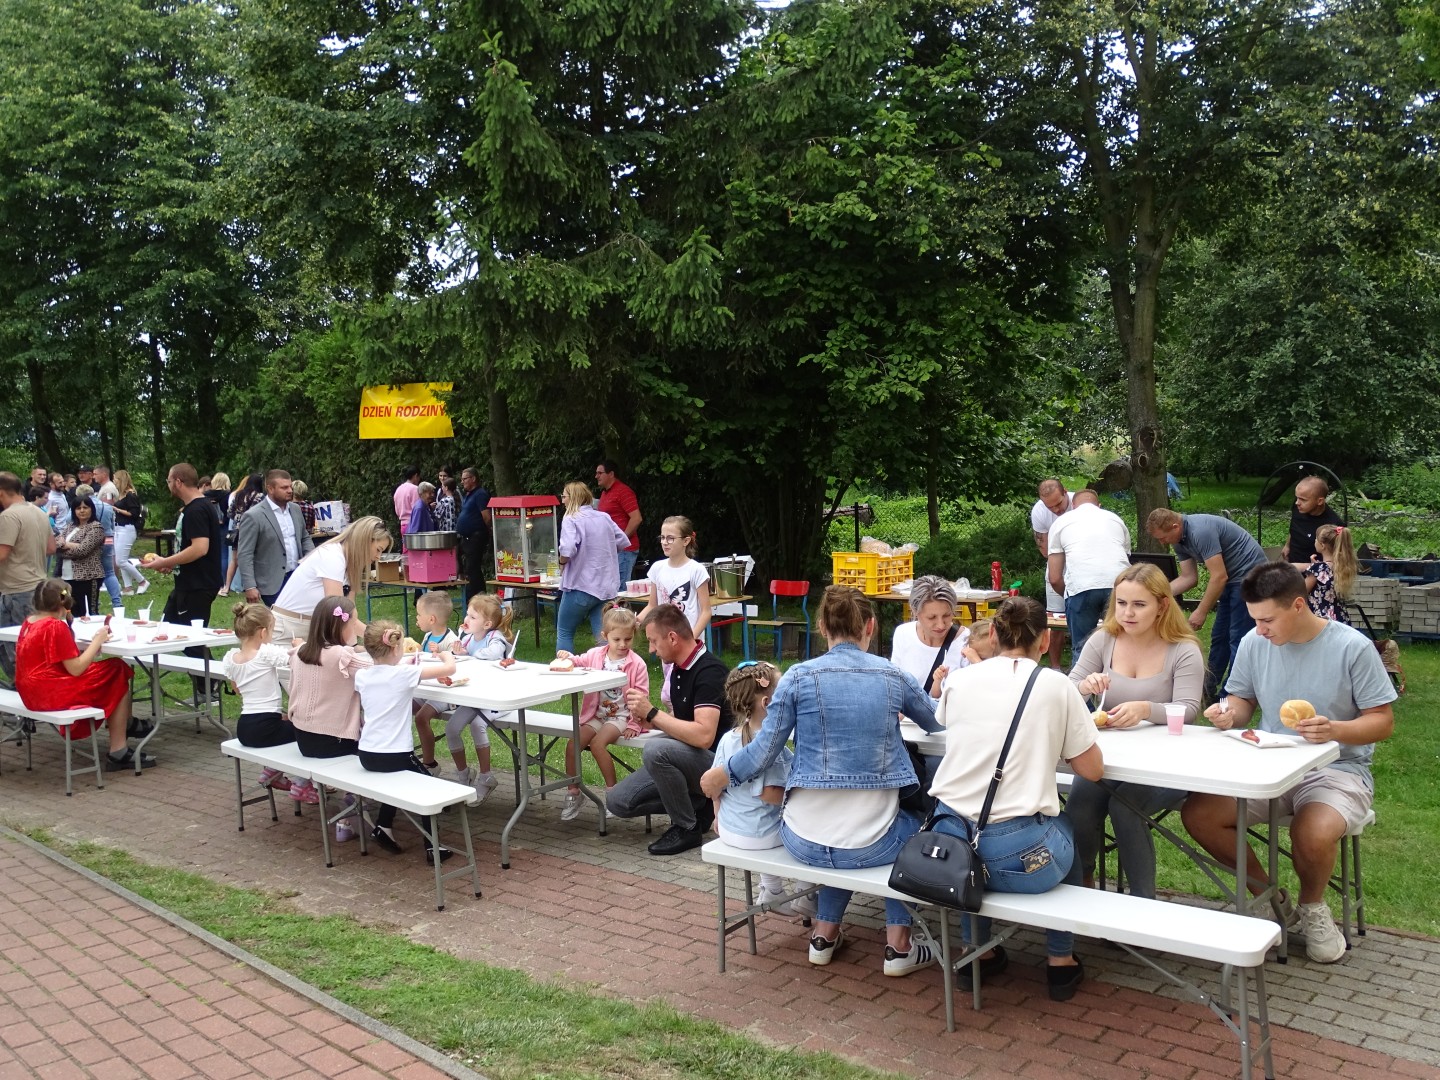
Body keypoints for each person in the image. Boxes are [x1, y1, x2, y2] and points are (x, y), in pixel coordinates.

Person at [700, 587, 944, 975]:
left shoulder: (797, 677)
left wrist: (723, 774)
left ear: (822, 627)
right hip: (872, 843)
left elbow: (763, 750)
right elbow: (936, 721)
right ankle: (899, 946)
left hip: (802, 839)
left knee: (840, 827)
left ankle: (824, 934)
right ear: (870, 626)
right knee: (920, 828)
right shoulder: (892, 675)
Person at [1182, 562, 1396, 963]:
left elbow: (1382, 722)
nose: (1260, 630)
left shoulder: (1352, 647)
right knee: (1199, 814)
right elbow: (1242, 700)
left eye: (1267, 620)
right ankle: (1271, 898)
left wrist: (1334, 729)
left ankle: (1313, 907)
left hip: (1339, 769)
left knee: (1311, 830)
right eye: (1255, 620)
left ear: (1298, 605)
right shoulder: (1254, 642)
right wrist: (1229, 713)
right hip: (1271, 765)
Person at [930, 596, 1103, 999]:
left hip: (949, 849)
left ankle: (976, 952)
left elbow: (948, 726)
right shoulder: (1057, 686)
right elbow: (1092, 770)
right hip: (1021, 861)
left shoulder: (959, 681)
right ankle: (1060, 961)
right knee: (1065, 828)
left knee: (972, 836)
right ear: (1045, 641)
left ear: (992, 634)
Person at [1064, 564, 1204, 898]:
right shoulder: (1103, 640)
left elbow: (1189, 709)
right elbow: (1067, 688)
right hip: (1109, 758)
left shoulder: (1183, 649)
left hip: (1167, 763)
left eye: (1139, 604)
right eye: (1121, 603)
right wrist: (1085, 685)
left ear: (1162, 605)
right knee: (1079, 807)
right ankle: (1080, 890)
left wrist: (1145, 709)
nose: (1127, 613)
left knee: (1126, 808)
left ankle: (1143, 902)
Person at [609, 604, 730, 855]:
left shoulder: (710, 671)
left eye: (653, 641)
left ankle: (686, 827)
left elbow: (704, 736)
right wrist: (650, 722)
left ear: (672, 638)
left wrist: (653, 713)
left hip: (719, 765)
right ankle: (699, 804)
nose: (651, 650)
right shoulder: (678, 667)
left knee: (656, 749)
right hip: (690, 758)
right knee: (617, 801)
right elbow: (683, 720)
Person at [710, 661, 816, 918]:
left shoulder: (727, 738)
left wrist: (717, 816)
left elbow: (716, 787)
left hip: (728, 829)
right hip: (759, 836)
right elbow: (768, 794)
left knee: (764, 818)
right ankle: (807, 893)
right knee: (814, 827)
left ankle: (772, 890)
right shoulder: (768, 747)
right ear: (768, 703)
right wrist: (804, 802)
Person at [15, 579, 150, 770]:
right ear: (65, 603)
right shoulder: (55, 626)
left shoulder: (29, 622)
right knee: (117, 669)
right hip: (50, 694)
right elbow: (76, 669)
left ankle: (127, 724)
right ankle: (119, 746)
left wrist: (90, 647)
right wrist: (97, 641)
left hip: (30, 693)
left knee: (111, 670)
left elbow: (58, 660)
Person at [354, 619, 455, 862]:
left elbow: (387, 675)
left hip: (367, 753)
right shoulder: (404, 674)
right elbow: (449, 669)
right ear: (396, 648)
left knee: (398, 781)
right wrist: (446, 654)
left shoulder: (362, 676)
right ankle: (432, 846)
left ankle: (384, 826)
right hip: (396, 754)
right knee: (428, 787)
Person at [1147, 509, 1268, 701]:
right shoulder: (1178, 540)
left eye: (1163, 538)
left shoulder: (1200, 532)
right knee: (1220, 636)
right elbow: (1189, 578)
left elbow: (1219, 576)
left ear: (1175, 526)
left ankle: (1232, 694)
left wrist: (1201, 611)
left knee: (1238, 638)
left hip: (1251, 577)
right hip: (1231, 580)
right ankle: (1206, 689)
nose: (1163, 543)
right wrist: (1153, 596)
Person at [288, 596, 371, 839]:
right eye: (353, 622)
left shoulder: (301, 651)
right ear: (341, 626)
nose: (356, 627)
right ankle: (350, 811)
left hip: (304, 737)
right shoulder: (341, 655)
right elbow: (378, 672)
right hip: (334, 740)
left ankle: (349, 809)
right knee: (377, 750)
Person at [557, 605, 650, 820]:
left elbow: (641, 698)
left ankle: (613, 795)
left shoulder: (637, 664)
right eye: (617, 639)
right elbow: (577, 661)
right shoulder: (596, 655)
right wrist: (566, 656)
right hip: (596, 715)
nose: (622, 644)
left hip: (621, 716)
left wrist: (634, 724)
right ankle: (574, 792)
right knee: (572, 745)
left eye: (627, 639)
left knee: (598, 744)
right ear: (605, 636)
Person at [147, 464, 225, 699]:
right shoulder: (195, 507)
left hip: (198, 585)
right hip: (188, 583)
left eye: (169, 480)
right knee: (169, 629)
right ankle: (208, 684)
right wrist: (173, 563)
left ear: (178, 481)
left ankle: (210, 686)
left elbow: (200, 548)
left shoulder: (197, 510)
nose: (168, 485)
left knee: (190, 638)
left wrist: (166, 561)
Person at [434, 592, 511, 800]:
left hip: (497, 698)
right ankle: (464, 774)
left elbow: (494, 654)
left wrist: (469, 655)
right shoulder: (467, 638)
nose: (466, 619)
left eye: (472, 617)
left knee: (478, 725)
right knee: (451, 729)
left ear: (487, 624)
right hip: (473, 697)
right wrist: (459, 653)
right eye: (467, 615)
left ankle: (486, 776)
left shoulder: (495, 638)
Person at [270, 515, 392, 642]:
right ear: (364, 540)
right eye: (378, 550)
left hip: (310, 630)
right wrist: (378, 638)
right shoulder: (333, 556)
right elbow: (337, 612)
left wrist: (357, 646)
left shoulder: (350, 566)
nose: (378, 557)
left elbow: (349, 616)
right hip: (287, 631)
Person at [1047, 489, 1132, 662]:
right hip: (1118, 587)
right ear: (1099, 505)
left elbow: (1054, 578)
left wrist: (1071, 595)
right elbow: (1124, 560)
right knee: (1120, 645)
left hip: (1081, 587)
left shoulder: (1061, 522)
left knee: (1082, 648)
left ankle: (1082, 680)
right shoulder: (1116, 519)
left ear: (1073, 506)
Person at [223, 601, 296, 791]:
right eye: (272, 631)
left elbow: (237, 688)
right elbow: (294, 658)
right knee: (307, 732)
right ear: (263, 633)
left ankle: (273, 771)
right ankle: (301, 782)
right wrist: (299, 646)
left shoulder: (231, 658)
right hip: (266, 728)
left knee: (288, 723)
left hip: (245, 727)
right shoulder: (264, 653)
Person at [639, 515, 710, 703]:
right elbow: (652, 606)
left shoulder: (696, 570)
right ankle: (675, 720)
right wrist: (635, 621)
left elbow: (706, 611)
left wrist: (690, 639)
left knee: (681, 693)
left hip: (689, 645)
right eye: (662, 537)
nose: (665, 542)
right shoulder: (657, 568)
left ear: (686, 541)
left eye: (670, 538)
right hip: (665, 642)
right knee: (672, 695)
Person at [556, 482, 630, 654]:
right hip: (605, 588)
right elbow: (622, 540)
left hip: (580, 586)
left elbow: (567, 549)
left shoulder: (571, 518)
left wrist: (562, 563)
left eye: (564, 496)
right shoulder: (604, 517)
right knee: (603, 637)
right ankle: (608, 668)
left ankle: (563, 666)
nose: (562, 501)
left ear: (573, 498)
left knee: (565, 631)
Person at [0, 474, 59, 688]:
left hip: (16, 589)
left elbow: (2, 554)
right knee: (32, 645)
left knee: (14, 646)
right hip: (38, 586)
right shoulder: (39, 512)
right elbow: (51, 548)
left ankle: (25, 689)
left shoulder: (8, 516)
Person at [238, 469, 313, 606]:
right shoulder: (254, 516)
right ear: (270, 489)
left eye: (290, 487)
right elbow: (245, 553)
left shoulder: (295, 510)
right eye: (284, 488)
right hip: (271, 582)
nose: (290, 491)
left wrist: (312, 560)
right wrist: (250, 586)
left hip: (297, 576)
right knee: (279, 617)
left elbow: (304, 537)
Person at [890, 575, 970, 699]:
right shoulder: (903, 634)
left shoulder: (965, 640)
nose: (941, 625)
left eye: (947, 615)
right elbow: (894, 684)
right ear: (915, 611)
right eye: (932, 617)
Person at [409, 590, 461, 774]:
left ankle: (430, 763)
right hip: (427, 688)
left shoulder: (451, 640)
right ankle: (404, 754)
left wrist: (442, 653)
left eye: (418, 614)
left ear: (431, 619)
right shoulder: (427, 636)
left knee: (421, 718)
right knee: (402, 706)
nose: (416, 618)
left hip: (445, 692)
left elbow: (455, 667)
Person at [1031, 478, 1072, 668]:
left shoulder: (1079, 504)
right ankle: (1056, 668)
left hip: (1083, 566)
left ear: (1065, 492)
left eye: (1059, 504)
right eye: (1050, 507)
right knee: (1056, 621)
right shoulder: (1039, 511)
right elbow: (1045, 550)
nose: (1056, 510)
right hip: (1056, 566)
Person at [55, 494, 104, 617]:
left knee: (88, 612)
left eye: (85, 507)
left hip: (88, 577)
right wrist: (72, 546)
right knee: (70, 609)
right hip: (66, 577)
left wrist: (65, 545)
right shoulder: (70, 526)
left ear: (91, 509)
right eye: (78, 508)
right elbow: (56, 545)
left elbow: (83, 550)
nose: (82, 511)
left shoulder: (96, 527)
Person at [595, 460, 643, 585]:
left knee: (620, 589)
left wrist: (621, 541)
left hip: (624, 550)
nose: (596, 476)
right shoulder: (605, 493)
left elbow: (636, 518)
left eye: (600, 473)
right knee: (612, 588)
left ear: (611, 474)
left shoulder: (623, 491)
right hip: (611, 549)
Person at [1283, 477, 1344, 565]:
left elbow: (1336, 561)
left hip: (1315, 570)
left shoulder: (1333, 524)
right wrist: (1287, 545)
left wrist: (1305, 567)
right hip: (1292, 563)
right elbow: (1295, 527)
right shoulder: (1299, 507)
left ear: (1320, 501)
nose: (1297, 502)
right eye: (1297, 498)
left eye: (1303, 499)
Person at [222, 473, 264, 597]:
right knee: (253, 559)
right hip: (252, 530)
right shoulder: (259, 496)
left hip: (237, 531)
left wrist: (238, 518)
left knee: (234, 560)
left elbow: (229, 513)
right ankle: (252, 586)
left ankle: (226, 587)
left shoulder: (238, 494)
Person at [1306, 524, 1356, 625]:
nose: (1314, 541)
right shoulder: (1342, 567)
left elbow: (1301, 590)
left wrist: (1314, 568)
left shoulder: (1318, 568)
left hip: (1321, 619)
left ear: (1322, 545)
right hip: (1340, 618)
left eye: (1316, 539)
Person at [456, 467, 492, 602]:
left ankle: (476, 598)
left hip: (476, 537)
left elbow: (487, 516)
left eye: (465, 479)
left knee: (472, 568)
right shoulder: (469, 495)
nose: (462, 482)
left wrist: (487, 531)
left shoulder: (480, 494)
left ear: (473, 479)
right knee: (468, 568)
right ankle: (475, 597)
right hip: (466, 537)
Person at [111, 470, 148, 595]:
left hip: (127, 529)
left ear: (121, 480)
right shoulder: (121, 494)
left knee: (120, 561)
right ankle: (128, 587)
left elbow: (134, 514)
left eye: (115, 479)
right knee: (122, 559)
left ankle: (142, 581)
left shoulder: (131, 495)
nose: (114, 481)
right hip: (118, 528)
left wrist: (117, 509)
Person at [206, 473, 232, 585]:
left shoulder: (205, 495)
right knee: (224, 554)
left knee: (210, 553)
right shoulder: (228, 495)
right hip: (223, 526)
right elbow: (229, 512)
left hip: (209, 526)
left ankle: (211, 578)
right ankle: (224, 580)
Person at [393, 465, 421, 536]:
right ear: (416, 476)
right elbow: (417, 509)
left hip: (403, 526)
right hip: (413, 525)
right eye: (419, 477)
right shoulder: (415, 489)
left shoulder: (398, 489)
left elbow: (397, 511)